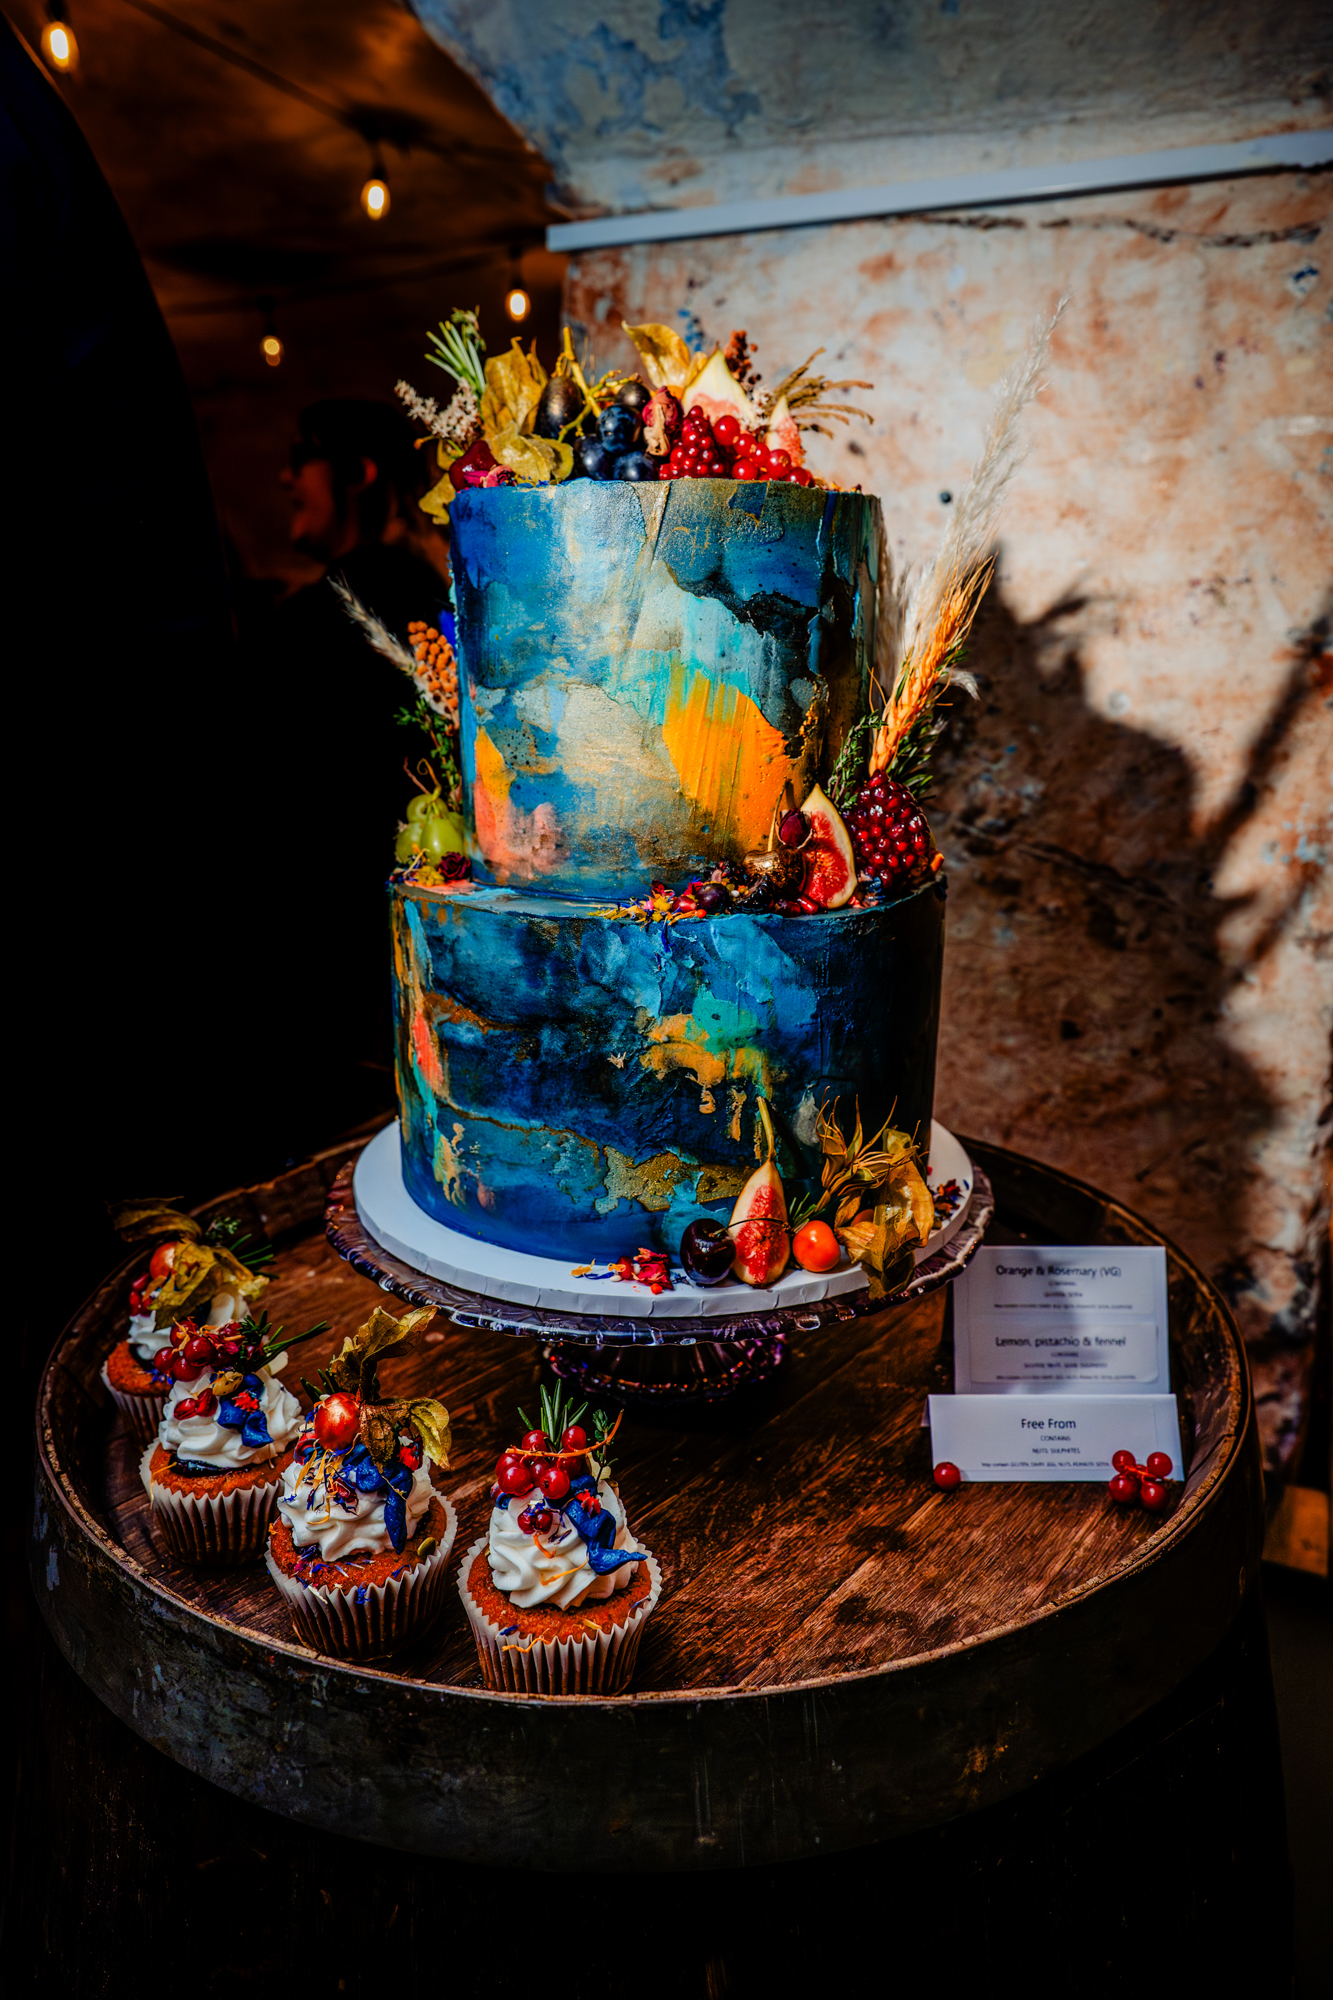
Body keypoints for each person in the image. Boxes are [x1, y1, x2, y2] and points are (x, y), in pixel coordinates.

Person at [243, 401, 450, 1140]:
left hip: (333, 1006)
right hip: (415, 984)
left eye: (302, 457)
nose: (285, 477)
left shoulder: (317, 622)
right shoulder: (438, 597)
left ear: (358, 472)